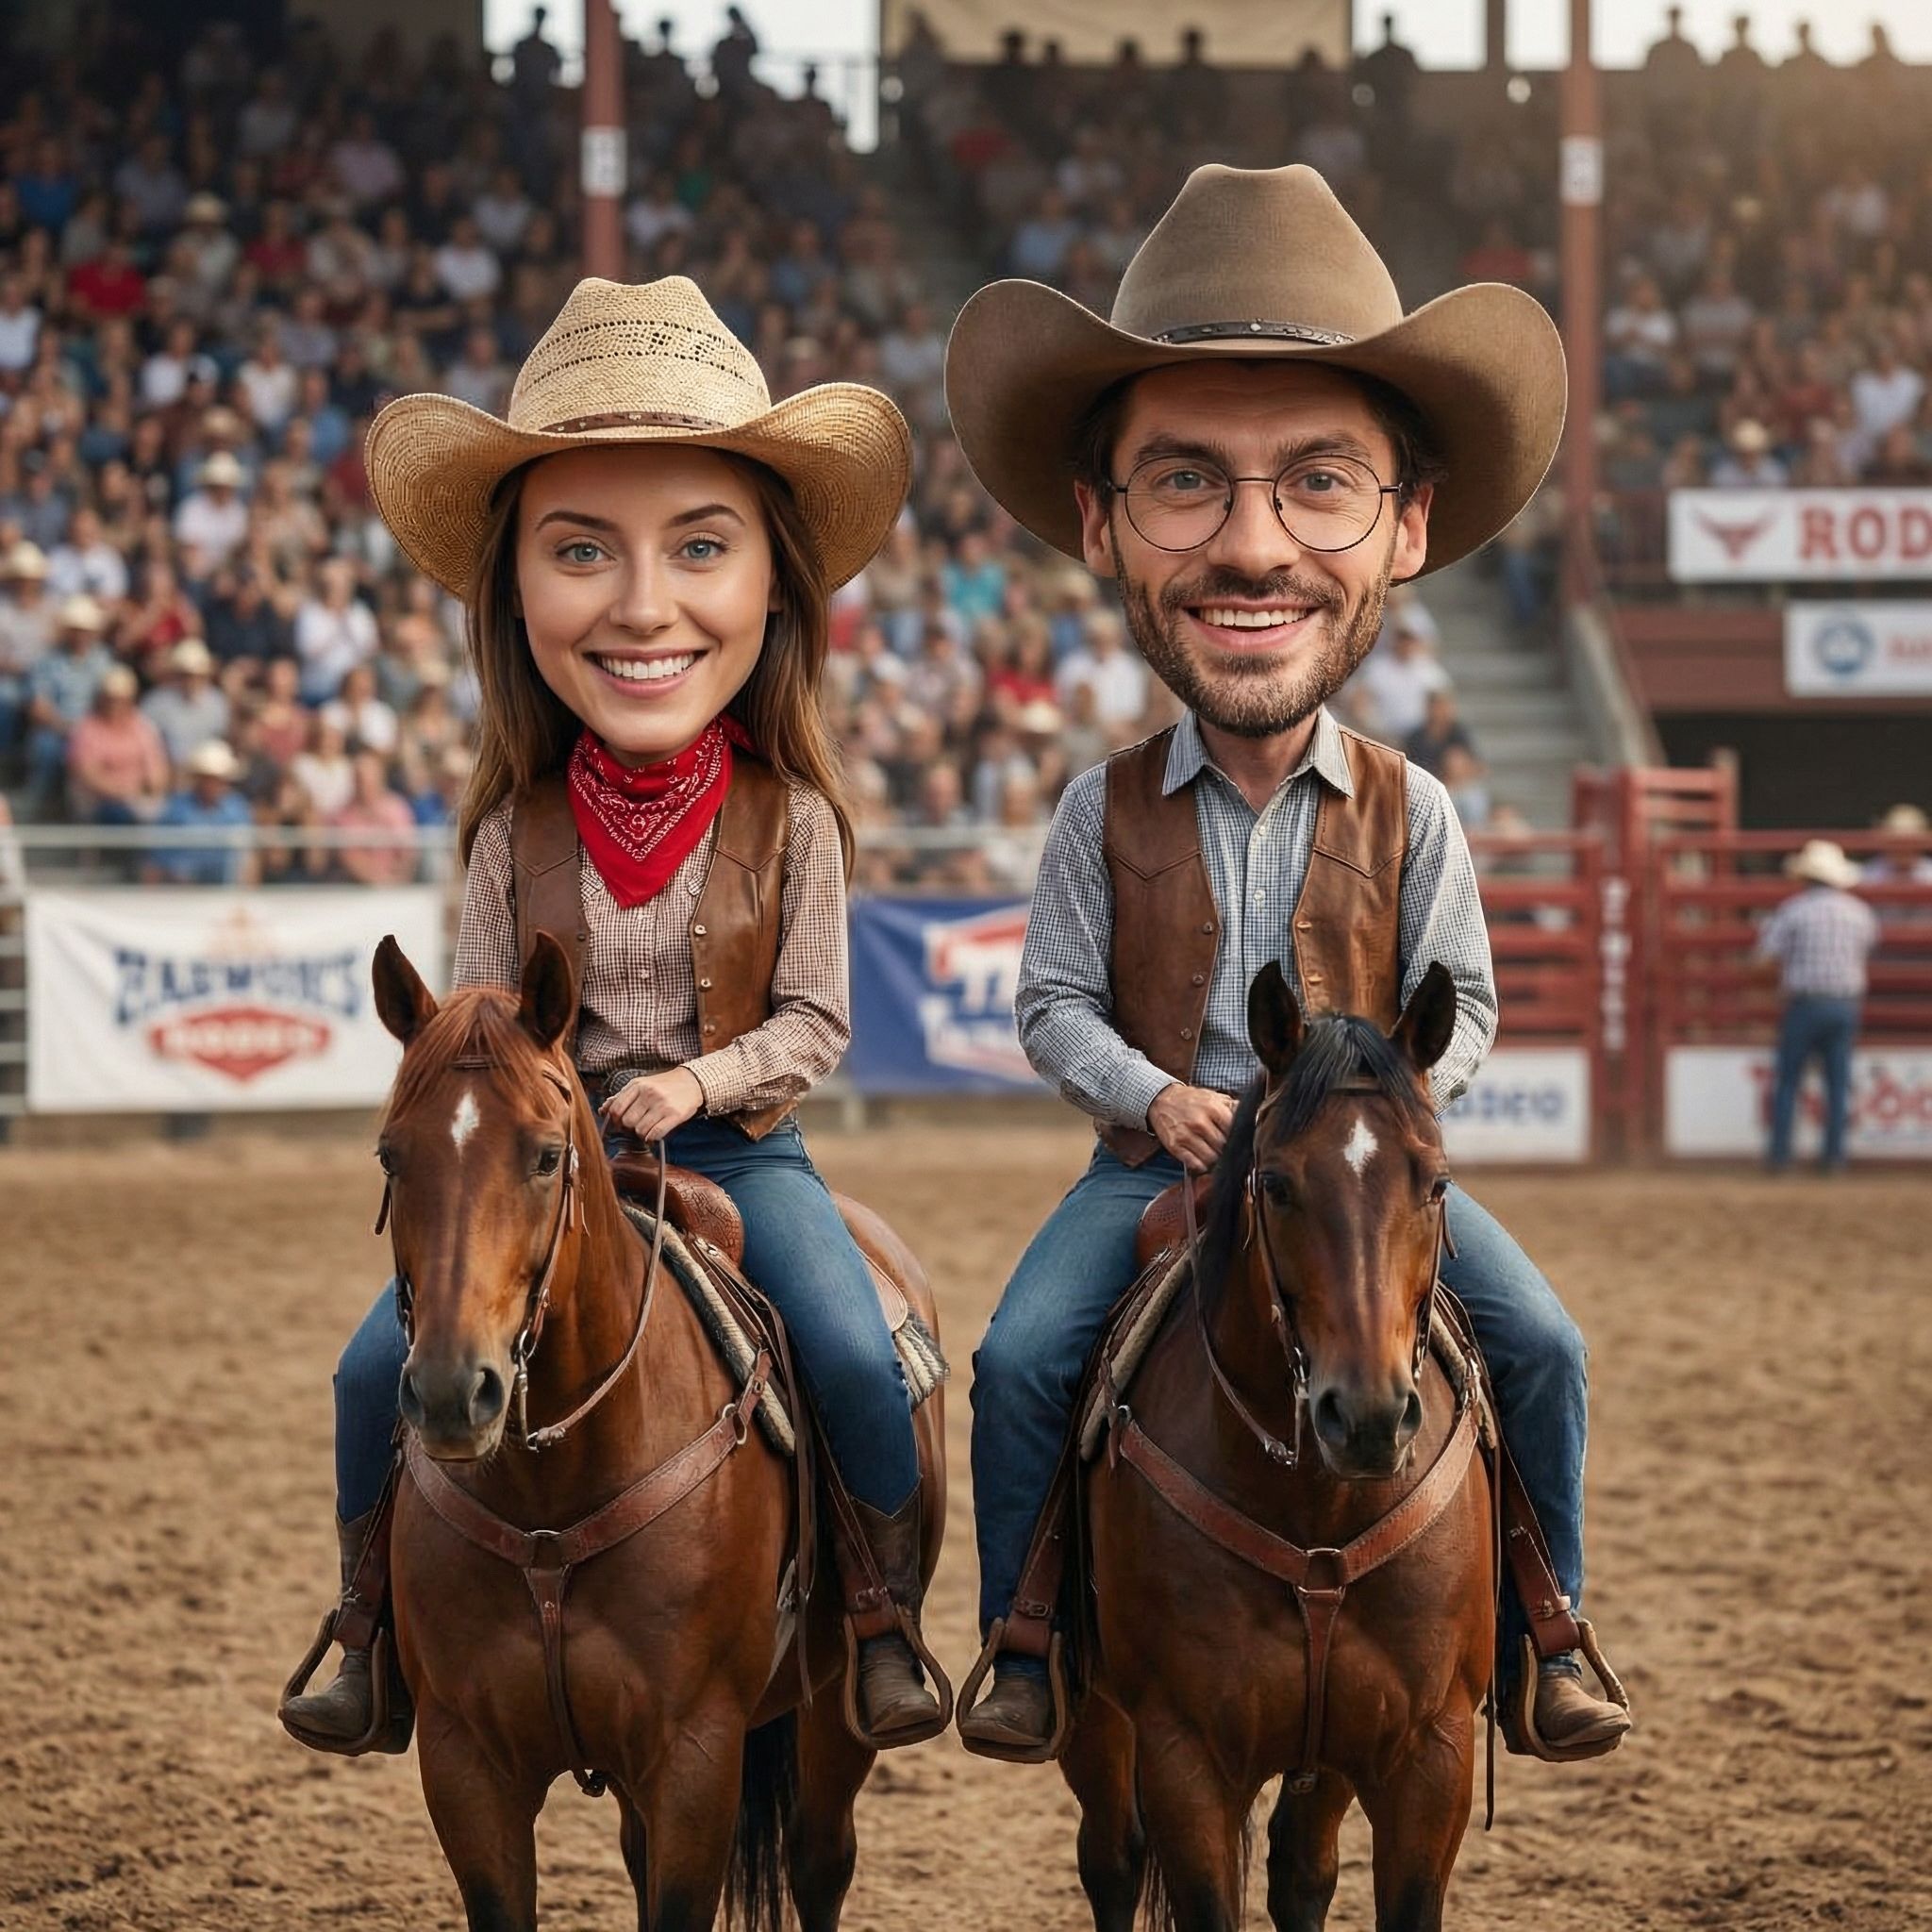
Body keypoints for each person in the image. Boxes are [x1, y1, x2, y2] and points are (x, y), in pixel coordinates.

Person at [944, 163, 1629, 1761]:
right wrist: (1158, 1097)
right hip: (1155, 1161)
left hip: (1356, 1182)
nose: (1251, 544)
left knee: (1538, 1342)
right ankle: (1024, 1634)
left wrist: (1381, 1120)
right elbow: (1048, 1001)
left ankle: (1552, 1628)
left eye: (1316, 481)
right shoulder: (1093, 806)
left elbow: (1459, 1012)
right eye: (1186, 481)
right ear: (1108, 522)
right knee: (1017, 1353)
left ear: (1401, 528)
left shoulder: (1417, 808)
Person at [279, 275, 942, 1757]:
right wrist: (541, 1096)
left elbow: (818, 1025)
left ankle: (882, 1629)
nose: (643, 605)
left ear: (768, 585)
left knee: (846, 1346)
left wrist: (692, 1087)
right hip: (542, 1162)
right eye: (582, 551)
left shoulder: (795, 820)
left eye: (699, 547)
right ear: (520, 594)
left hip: (740, 1154)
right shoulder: (512, 828)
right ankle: (370, 1632)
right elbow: (470, 1029)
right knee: (367, 1368)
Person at [1757, 840, 1879, 1174]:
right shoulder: (1859, 912)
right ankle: (1834, 1157)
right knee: (1837, 1082)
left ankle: (1781, 1157)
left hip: (1805, 1004)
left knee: (1788, 1081)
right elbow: (1868, 947)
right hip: (1844, 1004)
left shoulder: (1793, 910)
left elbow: (1766, 955)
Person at [145, 739, 257, 886]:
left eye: (218, 779)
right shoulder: (177, 808)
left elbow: (248, 857)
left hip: (226, 890)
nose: (213, 784)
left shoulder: (236, 809)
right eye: (208, 778)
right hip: (181, 891)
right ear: (198, 778)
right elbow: (157, 859)